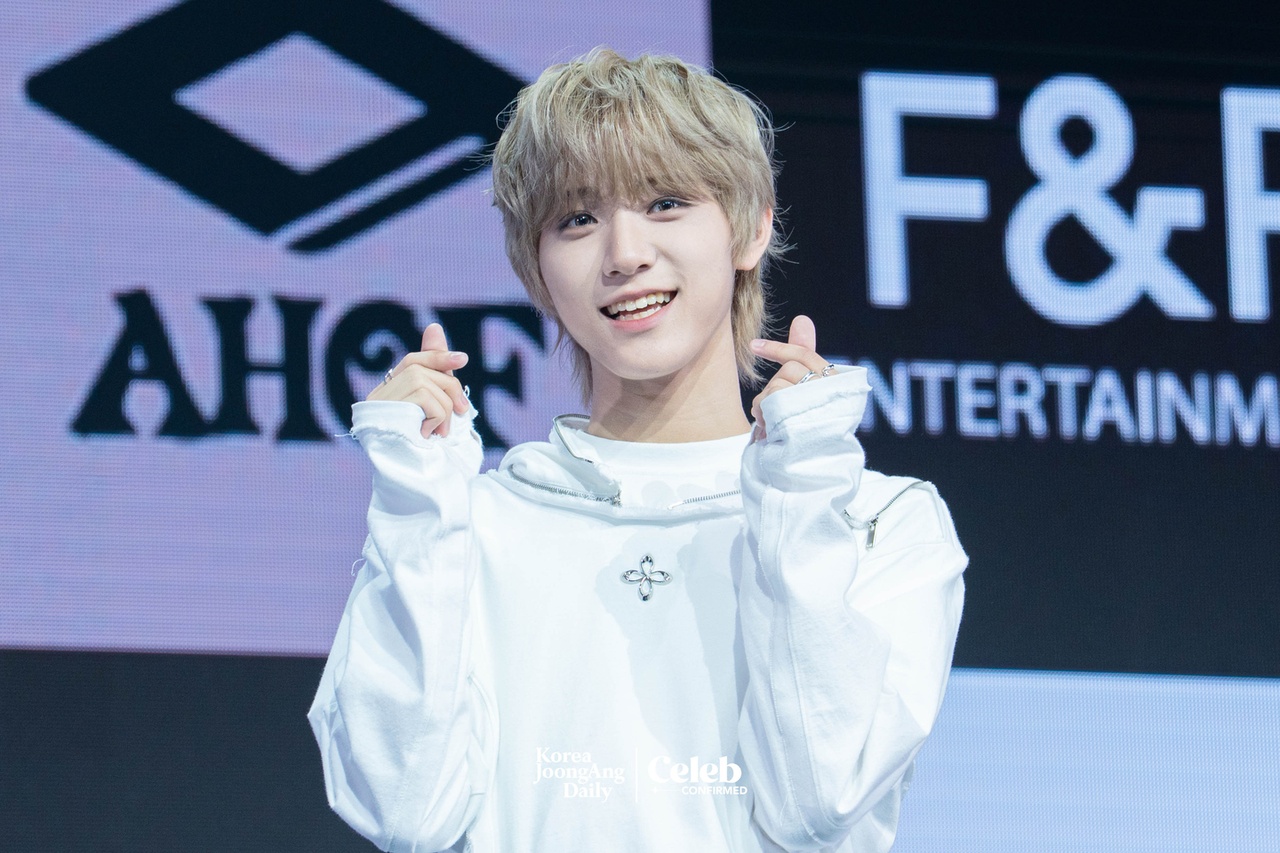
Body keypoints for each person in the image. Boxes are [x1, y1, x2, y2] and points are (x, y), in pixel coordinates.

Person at [308, 48, 967, 853]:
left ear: (752, 226)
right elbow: (406, 810)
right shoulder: (467, 524)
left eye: (665, 202)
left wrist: (798, 493)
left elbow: (813, 804)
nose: (624, 253)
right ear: (537, 268)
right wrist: (417, 508)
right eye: (576, 219)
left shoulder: (878, 521)